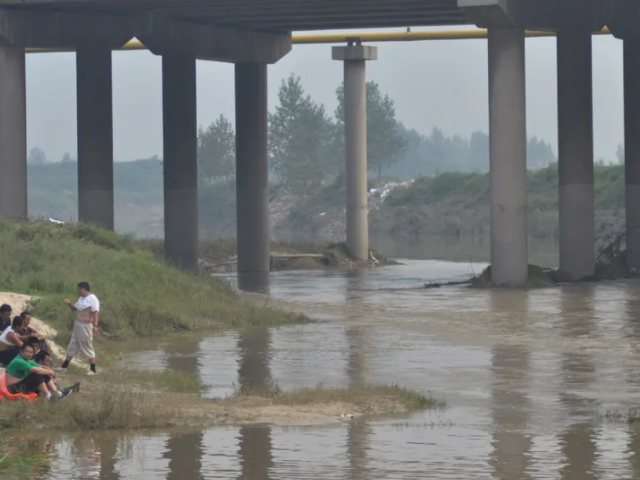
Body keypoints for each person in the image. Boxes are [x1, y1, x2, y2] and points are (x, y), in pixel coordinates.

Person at [58, 282, 99, 375]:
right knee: (73, 344)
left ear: (84, 289)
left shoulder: (93, 299)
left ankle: (93, 369)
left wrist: (96, 325)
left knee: (87, 345)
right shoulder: (81, 299)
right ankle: (64, 366)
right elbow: (74, 308)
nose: (78, 291)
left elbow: (96, 312)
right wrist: (69, 303)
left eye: (79, 289)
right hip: (77, 325)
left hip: (86, 325)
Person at [4, 343, 69, 399]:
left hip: (20, 384)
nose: (29, 354)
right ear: (21, 351)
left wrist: (51, 371)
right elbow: (35, 370)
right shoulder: (19, 361)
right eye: (27, 351)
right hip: (12, 388)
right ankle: (49, 397)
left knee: (43, 373)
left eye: (31, 352)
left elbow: (41, 367)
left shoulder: (26, 360)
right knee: (35, 374)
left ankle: (57, 393)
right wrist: (50, 372)